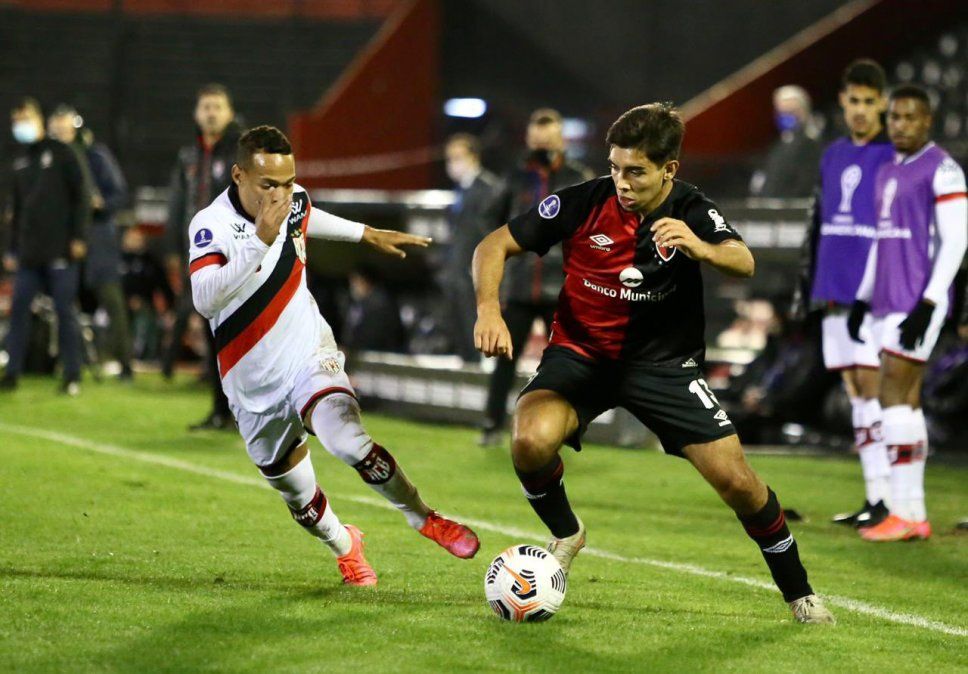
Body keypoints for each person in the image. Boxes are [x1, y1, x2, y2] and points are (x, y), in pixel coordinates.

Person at [473, 103, 834, 624]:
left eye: (636, 171)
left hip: (664, 366)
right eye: (616, 167)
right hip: (581, 356)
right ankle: (568, 534)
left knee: (738, 483)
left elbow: (744, 259)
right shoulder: (583, 200)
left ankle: (800, 593)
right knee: (528, 440)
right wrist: (490, 308)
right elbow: (493, 245)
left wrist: (701, 248)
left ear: (669, 170)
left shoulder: (691, 209)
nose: (621, 181)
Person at [188, 125, 479, 585]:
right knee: (300, 502)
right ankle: (345, 544)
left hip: (308, 355)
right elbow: (205, 299)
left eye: (288, 182)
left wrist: (365, 233)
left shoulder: (292, 200)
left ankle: (423, 517)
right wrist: (260, 240)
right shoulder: (210, 225)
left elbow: (308, 214)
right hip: (250, 381)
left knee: (347, 439)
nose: (281, 195)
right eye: (269, 185)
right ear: (238, 175)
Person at [847, 85, 967, 542]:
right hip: (887, 300)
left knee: (894, 394)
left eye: (910, 117)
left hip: (918, 301)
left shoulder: (944, 170)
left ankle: (906, 512)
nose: (900, 124)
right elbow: (882, 240)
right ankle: (910, 512)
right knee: (903, 401)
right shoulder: (887, 170)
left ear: (927, 122)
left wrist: (931, 302)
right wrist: (862, 296)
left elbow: (956, 242)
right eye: (895, 117)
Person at [792, 60, 895, 528]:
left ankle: (894, 500)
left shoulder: (894, 156)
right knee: (856, 392)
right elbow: (820, 224)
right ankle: (875, 497)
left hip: (875, 295)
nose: (860, 110)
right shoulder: (832, 154)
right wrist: (807, 288)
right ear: (842, 101)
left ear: (884, 103)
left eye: (869, 101)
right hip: (833, 289)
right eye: (853, 100)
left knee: (877, 392)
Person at [480, 108, 594, 445]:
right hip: (519, 285)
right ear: (529, 140)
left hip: (562, 286)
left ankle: (571, 426)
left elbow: (593, 225)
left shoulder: (578, 177)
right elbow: (491, 222)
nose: (543, 145)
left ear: (561, 138)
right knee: (504, 359)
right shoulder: (514, 177)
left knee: (567, 362)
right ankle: (491, 423)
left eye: (549, 138)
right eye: (538, 139)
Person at [165, 83, 242, 430]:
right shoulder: (189, 156)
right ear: (197, 114)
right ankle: (220, 410)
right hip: (201, 256)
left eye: (217, 106)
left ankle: (254, 414)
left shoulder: (243, 150)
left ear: (229, 112)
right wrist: (172, 249)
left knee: (244, 335)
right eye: (205, 106)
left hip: (237, 255)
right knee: (214, 336)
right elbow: (178, 206)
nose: (211, 112)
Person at [1, 97, 88, 395]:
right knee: (19, 311)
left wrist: (78, 237)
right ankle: (12, 372)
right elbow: (14, 210)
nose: (21, 124)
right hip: (29, 253)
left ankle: (72, 374)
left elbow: (82, 196)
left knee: (65, 311)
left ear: (39, 119)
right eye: (16, 120)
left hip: (61, 250)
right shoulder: (19, 161)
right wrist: (11, 249)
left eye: (25, 117)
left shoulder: (63, 153)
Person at [48, 105, 134, 380]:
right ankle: (67, 361)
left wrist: (99, 204)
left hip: (97, 236)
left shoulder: (95, 155)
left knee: (110, 299)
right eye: (56, 129)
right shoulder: (51, 160)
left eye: (64, 129)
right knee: (63, 299)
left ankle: (124, 365)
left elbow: (118, 194)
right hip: (65, 236)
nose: (61, 134)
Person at [442, 133, 505, 362]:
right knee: (460, 331)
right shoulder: (460, 191)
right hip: (456, 274)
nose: (453, 164)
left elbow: (492, 233)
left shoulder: (489, 189)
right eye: (449, 158)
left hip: (474, 273)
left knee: (475, 328)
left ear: (474, 156)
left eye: (458, 157)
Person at [749, 85, 822, 199]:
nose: (785, 116)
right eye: (781, 112)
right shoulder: (777, 146)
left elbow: (805, 185)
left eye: (791, 111)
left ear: (803, 111)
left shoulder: (810, 145)